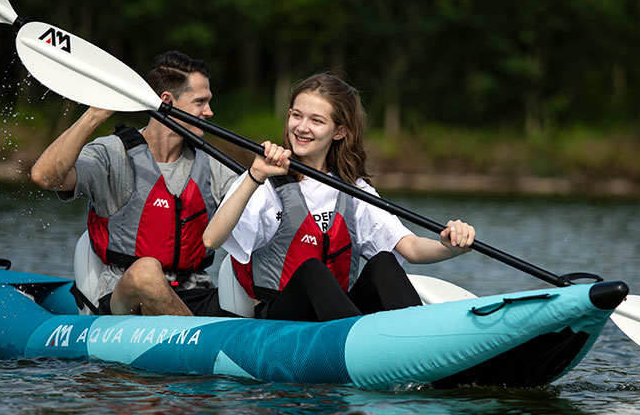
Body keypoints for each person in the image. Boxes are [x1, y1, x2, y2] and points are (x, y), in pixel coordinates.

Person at [202, 72, 476, 321]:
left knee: (384, 263)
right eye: (296, 116)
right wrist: (255, 175)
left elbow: (411, 248)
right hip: (281, 321)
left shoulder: (353, 189)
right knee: (312, 270)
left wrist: (451, 246)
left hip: (337, 317)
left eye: (316, 120)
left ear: (340, 131)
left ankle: (421, 342)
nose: (301, 127)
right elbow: (212, 239)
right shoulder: (264, 180)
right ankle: (368, 343)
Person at [31, 51, 237, 315]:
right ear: (168, 101)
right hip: (125, 298)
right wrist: (95, 114)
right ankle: (202, 345)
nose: (209, 112)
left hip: (195, 292)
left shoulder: (211, 165)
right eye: (200, 102)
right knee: (146, 271)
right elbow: (45, 177)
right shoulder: (112, 155)